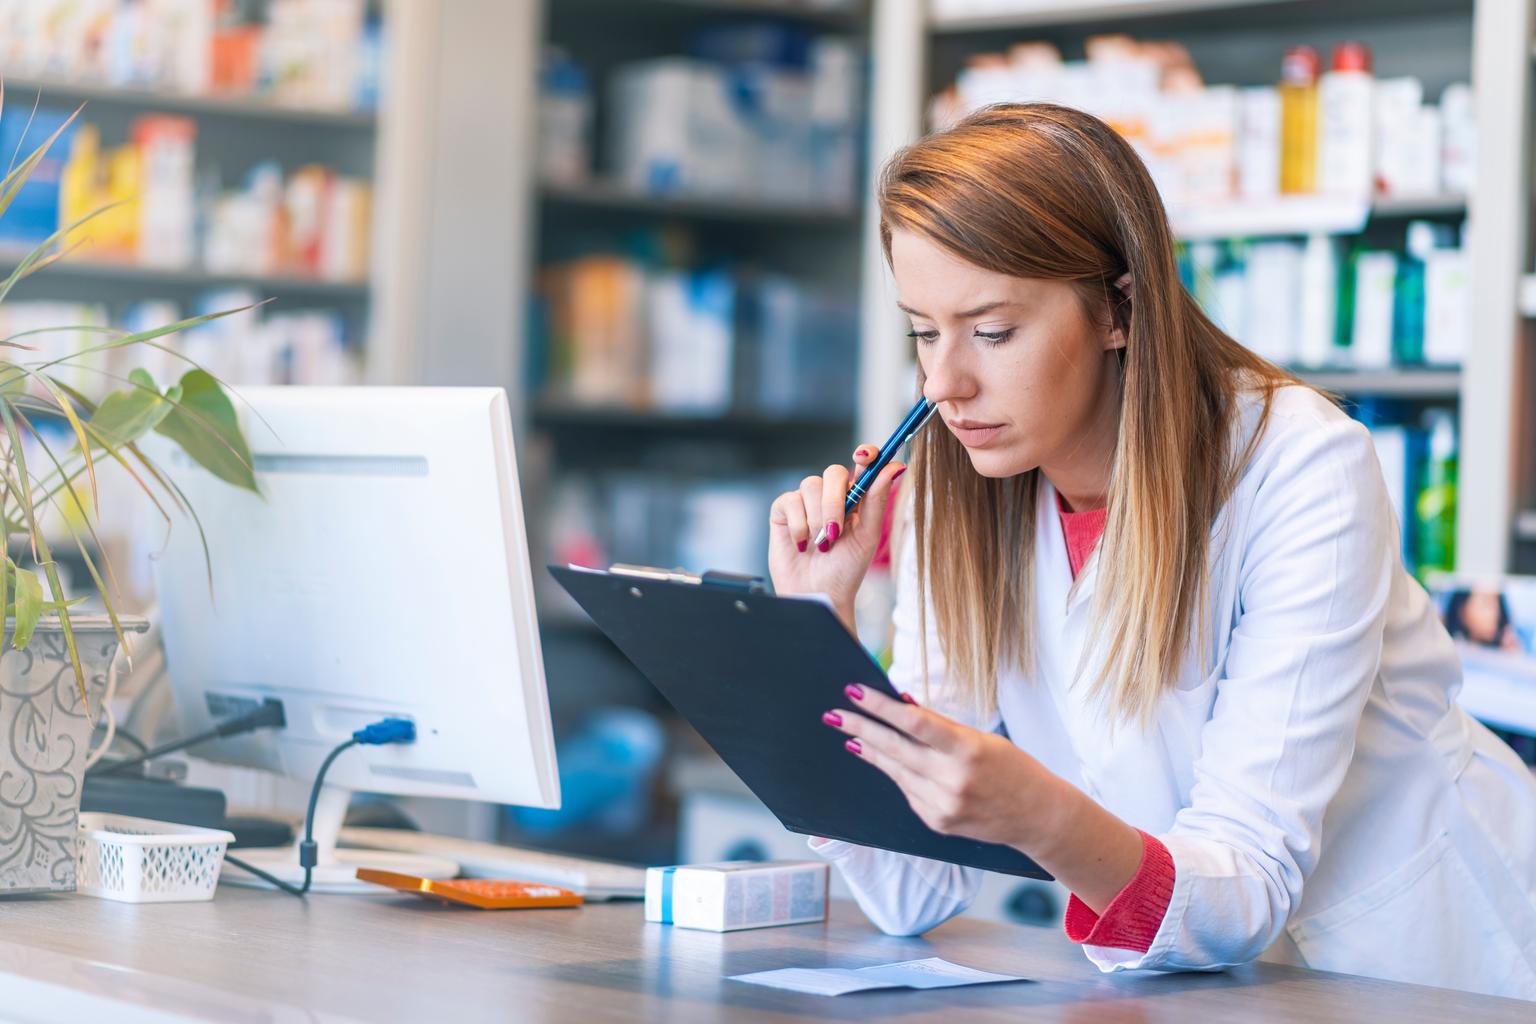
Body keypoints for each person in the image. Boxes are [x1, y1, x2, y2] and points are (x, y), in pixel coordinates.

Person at [767, 103, 1536, 1000]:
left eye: (993, 330)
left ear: (1118, 309)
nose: (944, 385)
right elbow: (912, 887)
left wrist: (1045, 817)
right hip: (1191, 982)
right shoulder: (954, 484)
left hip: (1427, 967)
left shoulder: (1299, 464)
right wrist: (814, 633)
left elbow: (1246, 879)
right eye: (924, 332)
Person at [1444, 587, 1524, 653]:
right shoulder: (1450, 650)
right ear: (1462, 610)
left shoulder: (1507, 651)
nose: (1495, 614)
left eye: (1497, 603)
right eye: (1485, 603)